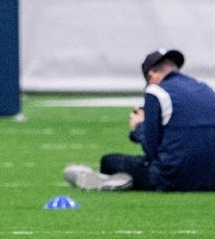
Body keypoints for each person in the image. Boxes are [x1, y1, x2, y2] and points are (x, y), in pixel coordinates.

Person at [65, 49, 215, 191]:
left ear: (151, 74)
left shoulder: (155, 91)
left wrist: (138, 127)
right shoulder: (206, 89)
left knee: (109, 161)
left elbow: (151, 150)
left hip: (172, 179)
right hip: (211, 178)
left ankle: (121, 180)